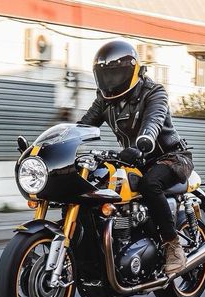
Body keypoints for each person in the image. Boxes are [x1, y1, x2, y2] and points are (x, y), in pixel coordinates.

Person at [79, 40, 194, 275]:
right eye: (106, 76)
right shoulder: (105, 99)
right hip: (134, 160)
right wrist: (60, 141)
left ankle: (173, 246)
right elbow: (84, 126)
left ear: (132, 70)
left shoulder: (154, 92)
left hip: (170, 157)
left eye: (116, 74)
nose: (110, 82)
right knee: (90, 187)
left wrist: (143, 143)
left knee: (150, 184)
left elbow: (153, 121)